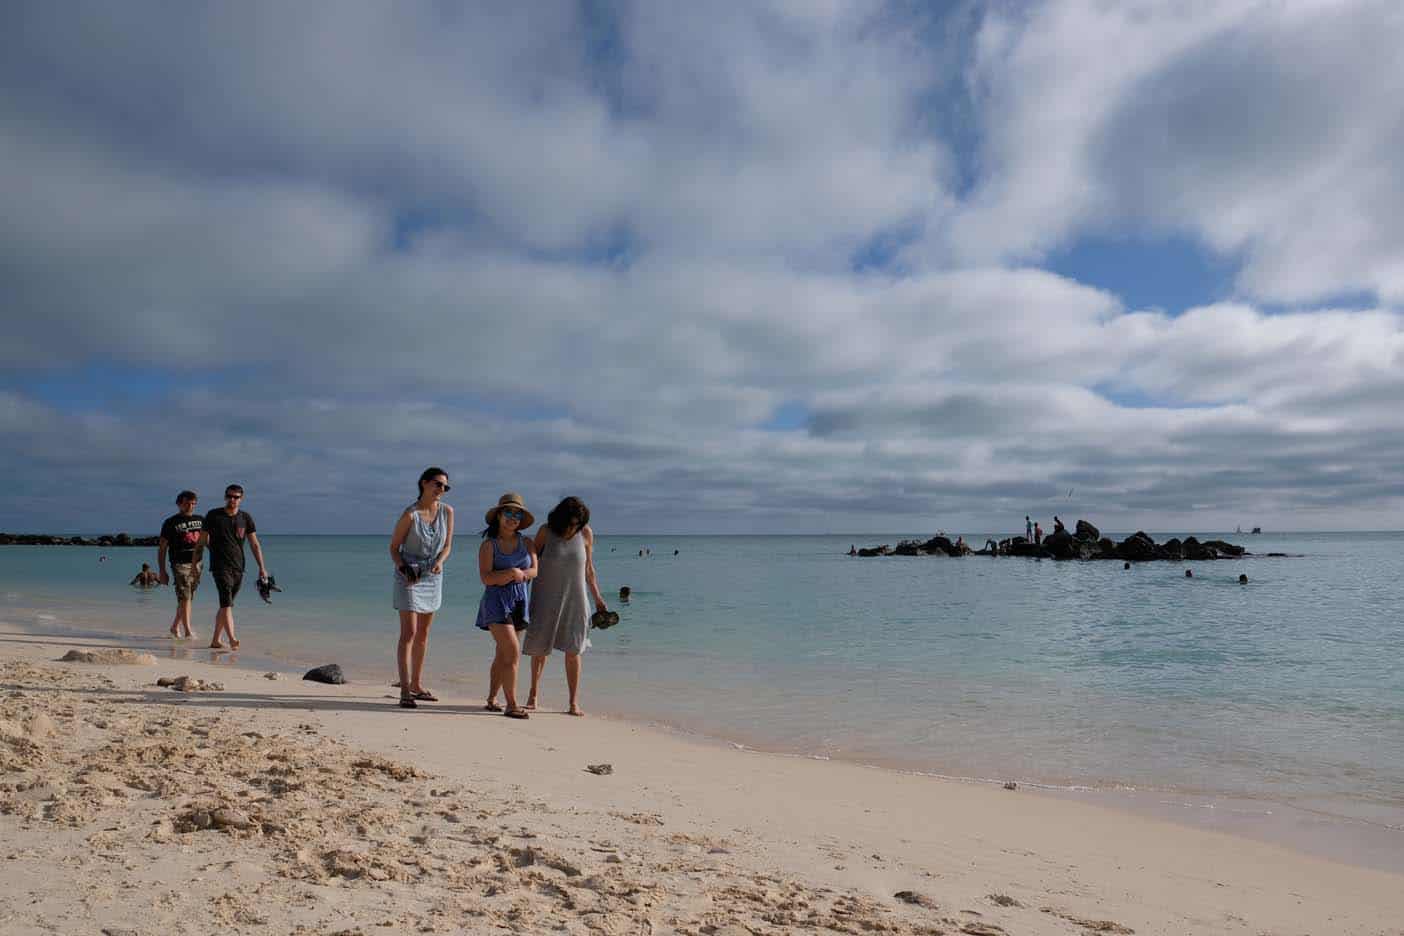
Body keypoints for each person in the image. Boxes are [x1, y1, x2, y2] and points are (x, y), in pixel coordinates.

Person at [524, 497, 608, 717]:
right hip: (545, 598)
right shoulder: (545, 532)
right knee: (540, 650)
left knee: (574, 650)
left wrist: (598, 598)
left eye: (577, 523)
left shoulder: (586, 534)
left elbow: (589, 569)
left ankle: (573, 702)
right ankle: (533, 695)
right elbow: (531, 564)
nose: (574, 527)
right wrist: (521, 596)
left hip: (576, 599)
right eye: (570, 522)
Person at [389, 467, 454, 710]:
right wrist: (405, 568)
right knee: (409, 633)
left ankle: (417, 684)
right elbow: (394, 548)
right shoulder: (410, 514)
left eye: (445, 486)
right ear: (424, 483)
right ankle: (404, 690)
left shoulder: (448, 512)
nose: (441, 490)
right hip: (408, 575)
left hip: (433, 575)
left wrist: (439, 562)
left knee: (424, 633)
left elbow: (447, 546)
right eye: (437, 484)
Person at [477, 493, 537, 718]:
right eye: (509, 512)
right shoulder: (489, 545)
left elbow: (535, 571)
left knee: (503, 655)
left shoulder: (527, 542)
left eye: (517, 514)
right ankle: (511, 704)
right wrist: (508, 574)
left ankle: (492, 698)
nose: (513, 517)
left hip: (520, 601)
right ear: (499, 516)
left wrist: (519, 574)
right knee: (512, 652)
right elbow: (486, 578)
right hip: (496, 603)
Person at [201, 483, 269, 650]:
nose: (232, 499)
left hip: (239, 566)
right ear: (225, 497)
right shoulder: (213, 515)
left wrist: (262, 567)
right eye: (229, 496)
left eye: (236, 497)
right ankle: (232, 638)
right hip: (219, 565)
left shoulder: (245, 518)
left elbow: (254, 544)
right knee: (226, 603)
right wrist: (198, 562)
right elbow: (202, 541)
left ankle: (215, 640)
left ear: (241, 499)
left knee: (227, 605)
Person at [158, 490, 204, 638]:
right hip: (179, 564)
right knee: (185, 597)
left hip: (197, 563)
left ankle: (174, 627)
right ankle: (188, 631)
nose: (190, 506)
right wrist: (162, 571)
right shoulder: (170, 522)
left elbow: (206, 541)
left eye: (193, 504)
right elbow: (162, 548)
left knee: (188, 598)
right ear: (179, 504)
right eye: (187, 504)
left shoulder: (201, 520)